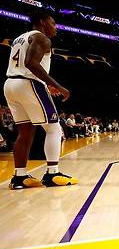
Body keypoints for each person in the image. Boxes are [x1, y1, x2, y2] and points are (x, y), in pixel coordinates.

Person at [3, 12, 77, 189]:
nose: (55, 27)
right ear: (43, 23)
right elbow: (31, 63)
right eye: (53, 23)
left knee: (25, 131)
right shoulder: (42, 38)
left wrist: (45, 83)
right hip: (29, 83)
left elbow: (24, 63)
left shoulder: (20, 38)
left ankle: (19, 177)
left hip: (10, 84)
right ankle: (52, 173)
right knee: (53, 127)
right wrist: (58, 86)